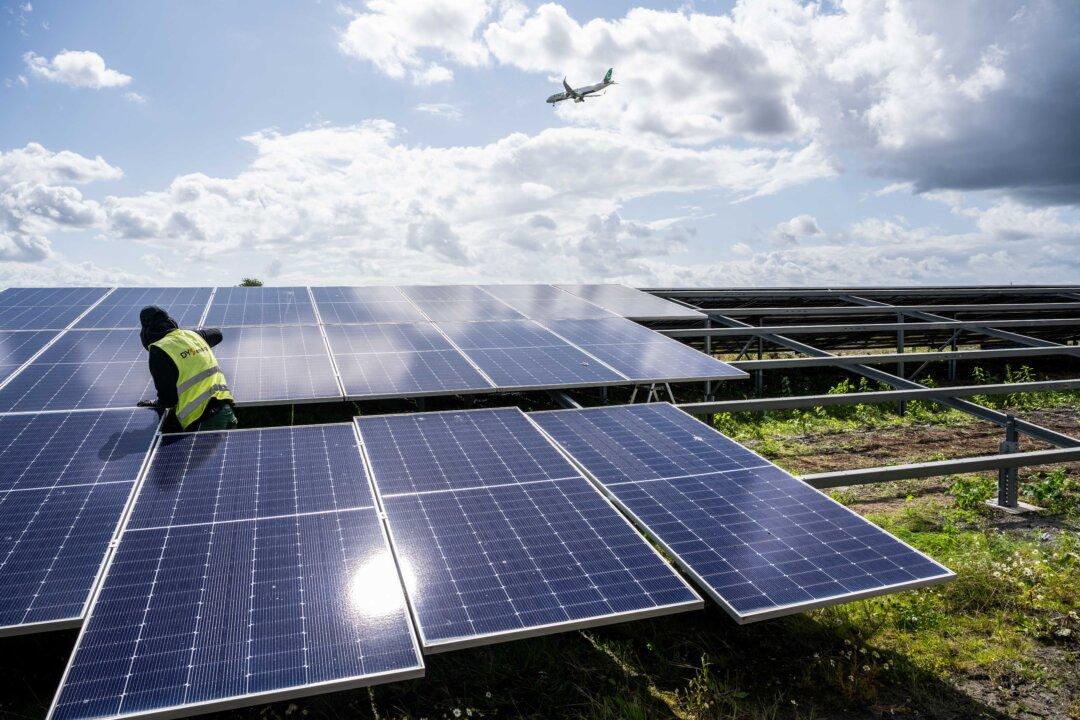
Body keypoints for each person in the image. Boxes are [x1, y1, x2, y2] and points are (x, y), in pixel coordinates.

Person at [137, 305, 238, 431]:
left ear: (146, 332)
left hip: (203, 420)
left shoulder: (158, 349)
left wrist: (158, 402)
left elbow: (169, 399)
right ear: (171, 322)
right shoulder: (193, 336)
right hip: (226, 411)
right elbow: (217, 334)